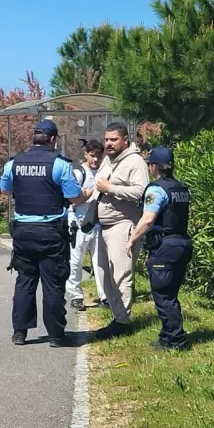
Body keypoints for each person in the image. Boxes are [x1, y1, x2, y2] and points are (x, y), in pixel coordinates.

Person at [0, 119, 87, 348]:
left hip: (23, 232)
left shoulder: (14, 163)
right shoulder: (60, 164)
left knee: (25, 281)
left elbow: (5, 190)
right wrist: (87, 194)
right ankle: (56, 335)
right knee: (53, 284)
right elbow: (74, 198)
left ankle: (20, 333)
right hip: (51, 233)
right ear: (53, 139)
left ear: (34, 137)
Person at [126, 146, 192, 350]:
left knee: (163, 296)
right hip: (182, 243)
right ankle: (167, 336)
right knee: (170, 293)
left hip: (164, 246)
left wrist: (132, 239)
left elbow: (147, 220)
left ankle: (176, 340)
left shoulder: (156, 190)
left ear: (153, 166)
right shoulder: (182, 188)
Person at [92, 122, 150, 338]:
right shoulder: (108, 159)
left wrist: (111, 188)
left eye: (113, 139)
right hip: (103, 225)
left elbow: (142, 192)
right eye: (106, 139)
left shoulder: (135, 162)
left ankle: (123, 323)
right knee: (104, 275)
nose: (109, 143)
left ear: (125, 139)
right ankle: (117, 316)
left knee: (121, 274)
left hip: (124, 224)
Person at [66, 139, 105, 311]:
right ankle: (76, 296)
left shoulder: (103, 172)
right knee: (75, 261)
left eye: (98, 156)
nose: (95, 159)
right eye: (92, 156)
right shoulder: (79, 173)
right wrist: (92, 192)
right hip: (78, 222)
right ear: (86, 155)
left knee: (101, 262)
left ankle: (104, 296)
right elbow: (73, 199)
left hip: (98, 223)